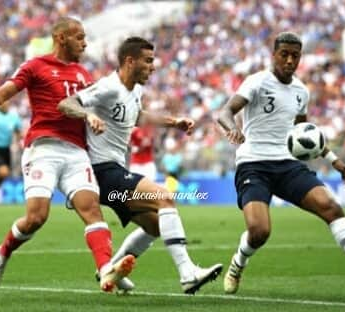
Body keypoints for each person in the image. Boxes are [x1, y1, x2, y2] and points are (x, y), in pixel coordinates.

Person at [217, 32, 345, 295]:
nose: (290, 60)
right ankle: (237, 265)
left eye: (295, 56)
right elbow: (224, 111)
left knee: (332, 207)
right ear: (274, 55)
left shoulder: (301, 91)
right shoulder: (256, 82)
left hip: (287, 164)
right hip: (254, 164)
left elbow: (305, 134)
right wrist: (232, 128)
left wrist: (333, 159)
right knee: (259, 231)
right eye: (285, 55)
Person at [0, 17, 134, 293]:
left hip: (76, 152)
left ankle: (106, 269)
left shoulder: (83, 73)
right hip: (43, 149)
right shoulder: (35, 66)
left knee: (92, 210)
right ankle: (3, 254)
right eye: (79, 37)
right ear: (61, 38)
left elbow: (101, 107)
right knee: (36, 217)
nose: (84, 42)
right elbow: (0, 98)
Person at [58, 36, 223, 294]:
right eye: (148, 61)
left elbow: (138, 115)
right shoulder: (108, 87)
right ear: (129, 61)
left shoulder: (134, 90)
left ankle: (111, 269)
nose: (153, 66)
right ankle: (188, 273)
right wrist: (88, 114)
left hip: (114, 171)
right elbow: (67, 103)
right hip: (100, 171)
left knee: (156, 225)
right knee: (165, 198)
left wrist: (173, 122)